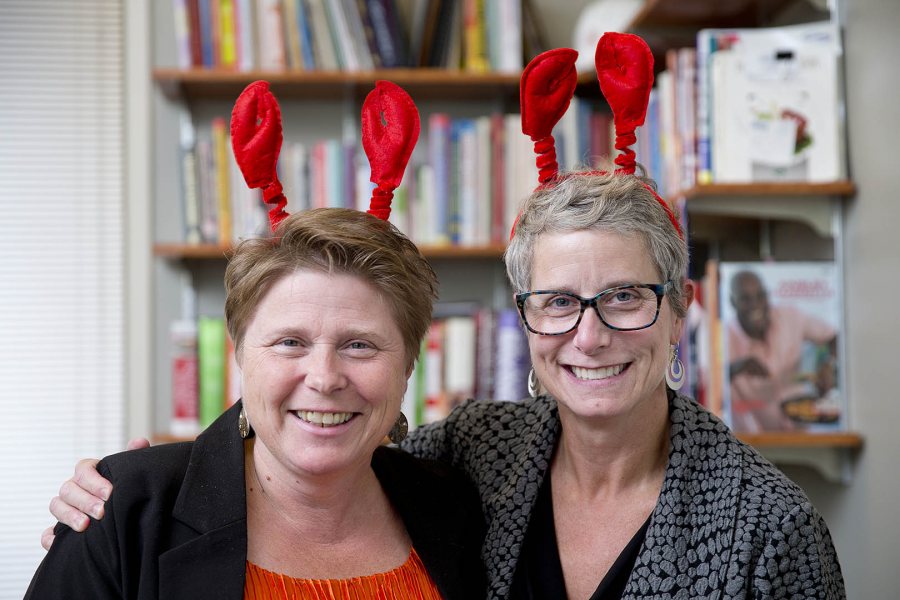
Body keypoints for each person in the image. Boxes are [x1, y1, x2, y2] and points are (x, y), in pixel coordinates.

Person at [42, 34, 846, 599]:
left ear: (682, 313)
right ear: (525, 318)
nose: (589, 334)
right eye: (558, 302)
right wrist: (132, 494)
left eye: (626, 297)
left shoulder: (770, 526)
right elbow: (312, 432)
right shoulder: (475, 457)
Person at [27, 81, 486, 599]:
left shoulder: (457, 506)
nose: (324, 378)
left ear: (408, 365)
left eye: (359, 345)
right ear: (240, 354)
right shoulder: (125, 507)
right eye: (290, 342)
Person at [727, 269, 838, 432]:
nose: (756, 304)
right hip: (753, 443)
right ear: (732, 302)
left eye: (761, 296)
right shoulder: (723, 337)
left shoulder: (790, 317)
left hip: (803, 433)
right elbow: (706, 387)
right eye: (745, 299)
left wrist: (828, 365)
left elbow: (835, 338)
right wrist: (734, 368)